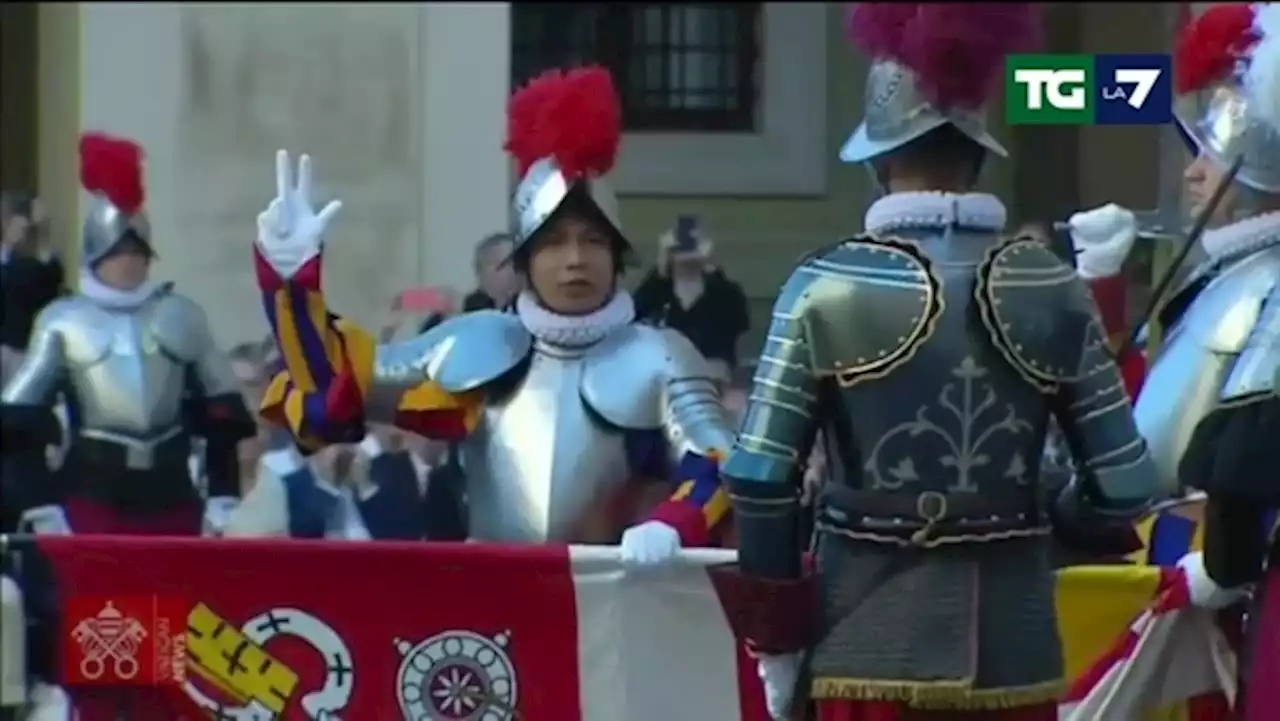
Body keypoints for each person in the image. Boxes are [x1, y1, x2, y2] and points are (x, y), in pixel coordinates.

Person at [710, 6, 1160, 721]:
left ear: (882, 160)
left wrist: (776, 637)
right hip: (1014, 651)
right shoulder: (1051, 285)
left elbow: (763, 479)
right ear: (979, 152)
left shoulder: (826, 286)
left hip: (862, 648)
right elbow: (1126, 483)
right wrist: (1039, 520)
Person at [251, 66, 735, 564]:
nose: (574, 259)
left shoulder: (660, 356)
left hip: (617, 596)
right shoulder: (478, 344)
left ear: (615, 256)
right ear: (524, 262)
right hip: (497, 596)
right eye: (554, 244)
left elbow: (719, 463)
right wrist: (291, 283)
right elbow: (338, 387)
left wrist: (671, 527)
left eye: (592, 241)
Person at [1117, 6, 1279, 719]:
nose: (1191, 174)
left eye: (1206, 155)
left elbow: (1243, 454)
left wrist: (1219, 567)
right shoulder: (1235, 276)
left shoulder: (1266, 286)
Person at [0, 133, 255, 540]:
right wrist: (39, 503)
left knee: (176, 603)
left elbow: (222, 414)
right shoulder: (62, 321)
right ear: (96, 256)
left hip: (172, 496)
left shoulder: (182, 316)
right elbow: (18, 424)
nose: (129, 262)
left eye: (137, 253)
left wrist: (223, 496)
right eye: (119, 252)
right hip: (90, 495)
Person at [633, 215, 751, 375]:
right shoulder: (656, 291)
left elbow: (738, 323)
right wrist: (661, 266)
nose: (687, 247)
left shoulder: (724, 292)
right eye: (681, 243)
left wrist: (710, 266)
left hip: (713, 381)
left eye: (693, 243)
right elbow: (635, 318)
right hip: (666, 380)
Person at [1, 192, 65, 353]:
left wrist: (44, 233)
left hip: (32, 348)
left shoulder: (35, 265)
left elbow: (53, 283)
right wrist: (8, 243)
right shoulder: (11, 265)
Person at [462, 231, 520, 311]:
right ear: (481, 273)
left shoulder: (531, 306)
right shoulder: (472, 314)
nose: (514, 269)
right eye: (506, 263)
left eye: (516, 261)